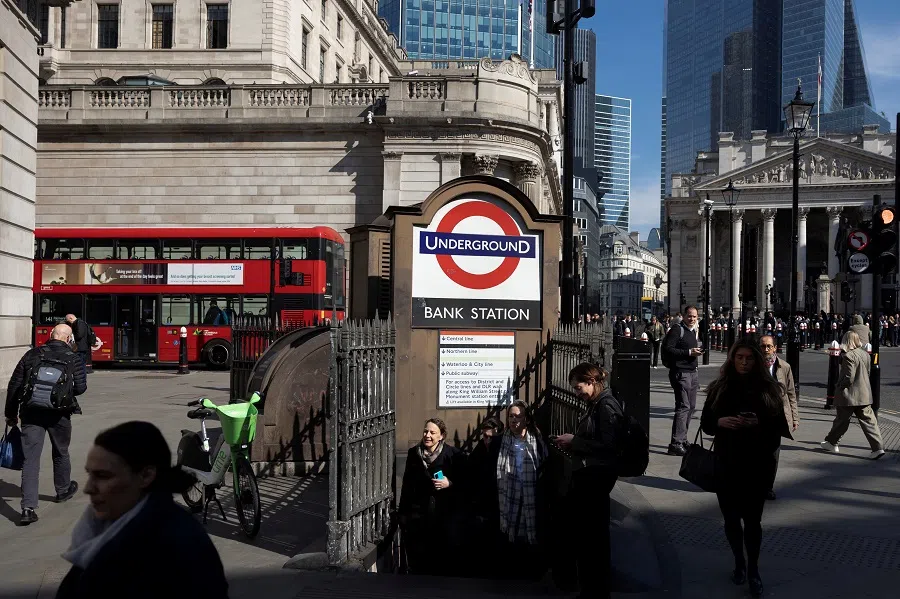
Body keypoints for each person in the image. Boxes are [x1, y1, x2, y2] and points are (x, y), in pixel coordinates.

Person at [55, 421, 228, 599]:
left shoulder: (173, 546)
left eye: (103, 476)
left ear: (145, 476)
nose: (88, 488)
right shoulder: (105, 526)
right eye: (90, 474)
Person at [700, 340, 788, 598]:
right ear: (732, 359)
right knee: (730, 519)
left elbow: (777, 432)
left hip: (756, 464)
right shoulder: (720, 388)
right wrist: (720, 422)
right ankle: (739, 560)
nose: (744, 362)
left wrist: (756, 424)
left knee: (753, 521)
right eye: (739, 357)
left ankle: (753, 570)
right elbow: (706, 424)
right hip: (727, 462)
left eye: (749, 358)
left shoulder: (769, 390)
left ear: (757, 361)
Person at [5, 323, 85, 525]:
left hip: (31, 412)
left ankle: (27, 508)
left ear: (51, 335)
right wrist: (61, 394)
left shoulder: (32, 355)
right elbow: (81, 387)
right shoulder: (73, 358)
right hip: (59, 414)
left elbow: (15, 385)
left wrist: (11, 414)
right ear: (69, 339)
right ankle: (63, 490)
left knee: (30, 459)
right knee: (61, 451)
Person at [554, 363, 622, 599]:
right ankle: (590, 588)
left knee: (594, 541)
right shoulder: (596, 404)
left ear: (592, 382)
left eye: (579, 387)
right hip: (590, 479)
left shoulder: (606, 406)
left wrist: (575, 441)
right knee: (589, 539)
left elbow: (610, 446)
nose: (576, 392)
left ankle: (596, 591)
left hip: (597, 480)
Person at [398, 418, 466, 575]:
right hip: (419, 516)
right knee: (420, 562)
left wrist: (449, 483)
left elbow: (465, 483)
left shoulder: (453, 455)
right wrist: (403, 514)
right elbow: (407, 486)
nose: (427, 435)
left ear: (441, 436)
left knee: (442, 561)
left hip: (443, 515)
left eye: (432, 432)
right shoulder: (414, 454)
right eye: (425, 431)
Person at [496, 401, 547, 577]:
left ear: (526, 418)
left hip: (530, 493)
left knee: (529, 533)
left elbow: (544, 466)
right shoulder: (502, 440)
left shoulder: (537, 440)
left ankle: (531, 571)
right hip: (509, 491)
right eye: (511, 416)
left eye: (518, 416)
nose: (514, 420)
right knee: (511, 532)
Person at [821, 330, 885, 459]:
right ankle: (878, 448)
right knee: (869, 423)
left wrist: (839, 386)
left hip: (849, 395)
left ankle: (832, 443)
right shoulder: (865, 355)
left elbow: (848, 377)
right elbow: (867, 373)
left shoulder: (848, 356)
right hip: (864, 394)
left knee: (841, 421)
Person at [758, 335, 798, 500]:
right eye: (762, 346)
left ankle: (768, 487)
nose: (765, 350)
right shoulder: (753, 365)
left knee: (773, 456)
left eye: (768, 346)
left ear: (774, 348)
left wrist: (794, 417)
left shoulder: (784, 367)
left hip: (776, 417)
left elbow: (791, 393)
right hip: (757, 416)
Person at [662, 305, 702, 456]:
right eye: (689, 316)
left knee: (691, 407)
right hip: (681, 373)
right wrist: (688, 352)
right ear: (684, 316)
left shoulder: (693, 331)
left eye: (694, 316)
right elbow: (668, 348)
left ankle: (683, 438)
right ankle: (675, 443)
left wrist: (699, 350)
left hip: (692, 372)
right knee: (683, 406)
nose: (692, 319)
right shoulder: (677, 329)